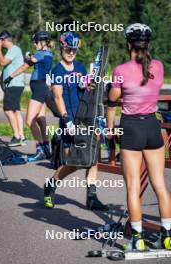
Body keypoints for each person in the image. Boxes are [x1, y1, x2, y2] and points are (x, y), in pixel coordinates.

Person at [107, 23, 171, 250]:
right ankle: (167, 236)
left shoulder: (121, 70)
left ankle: (138, 240)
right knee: (160, 186)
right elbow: (149, 88)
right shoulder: (159, 66)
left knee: (133, 187)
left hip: (131, 128)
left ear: (128, 44)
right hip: (153, 127)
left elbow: (113, 97)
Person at [44, 31, 109, 211]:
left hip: (85, 118)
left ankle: (91, 197)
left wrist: (88, 84)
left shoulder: (80, 67)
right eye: (67, 48)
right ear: (62, 48)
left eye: (73, 49)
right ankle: (50, 184)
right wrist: (67, 121)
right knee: (73, 162)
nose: (71, 52)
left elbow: (85, 87)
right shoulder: (57, 70)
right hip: (69, 120)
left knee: (92, 157)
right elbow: (57, 97)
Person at [4, 31, 53, 161]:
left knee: (29, 120)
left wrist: (10, 76)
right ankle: (47, 147)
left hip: (39, 89)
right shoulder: (47, 54)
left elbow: (27, 63)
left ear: (42, 43)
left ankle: (40, 149)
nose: (34, 44)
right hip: (42, 88)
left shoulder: (41, 54)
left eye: (36, 42)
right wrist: (11, 76)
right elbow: (29, 63)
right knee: (41, 120)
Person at [0, 30, 25, 146]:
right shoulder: (12, 50)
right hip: (15, 85)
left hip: (14, 85)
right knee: (15, 110)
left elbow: (2, 62)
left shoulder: (14, 49)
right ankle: (21, 136)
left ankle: (16, 136)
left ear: (4, 39)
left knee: (7, 109)